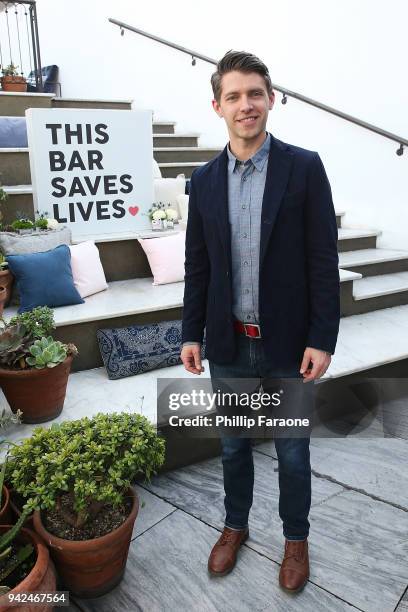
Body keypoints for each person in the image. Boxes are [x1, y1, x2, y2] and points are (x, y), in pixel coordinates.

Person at [180, 49, 340, 593]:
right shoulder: (202, 182)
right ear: (217, 106)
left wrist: (322, 337)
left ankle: (295, 538)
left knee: (293, 451)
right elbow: (197, 266)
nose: (245, 104)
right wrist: (190, 333)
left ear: (270, 99)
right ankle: (235, 525)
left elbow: (323, 259)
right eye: (234, 96)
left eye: (255, 93)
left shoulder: (304, 167)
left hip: (289, 346)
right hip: (228, 345)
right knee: (231, 445)